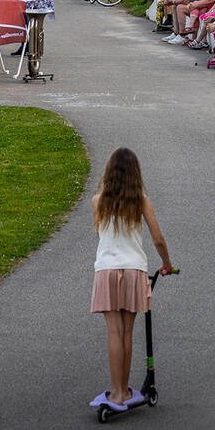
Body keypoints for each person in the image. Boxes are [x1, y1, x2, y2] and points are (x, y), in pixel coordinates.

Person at [89, 147, 174, 413]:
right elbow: (158, 238)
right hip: (134, 270)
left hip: (107, 270)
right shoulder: (141, 201)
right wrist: (167, 264)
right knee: (126, 332)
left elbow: (102, 236)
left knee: (114, 332)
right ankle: (123, 390)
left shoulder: (97, 201)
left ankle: (116, 393)